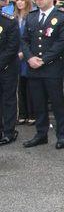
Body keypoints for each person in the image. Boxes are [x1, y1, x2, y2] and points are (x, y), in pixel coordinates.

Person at [21, 0, 64, 149]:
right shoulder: (31, 16)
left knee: (58, 103)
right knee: (39, 103)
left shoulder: (63, 17)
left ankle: (62, 135)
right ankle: (41, 134)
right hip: (34, 68)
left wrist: (43, 60)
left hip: (53, 68)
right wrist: (29, 58)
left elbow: (62, 42)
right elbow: (24, 41)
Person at [0, 8, 21, 145]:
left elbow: (12, 47)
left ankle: (9, 132)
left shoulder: (9, 21)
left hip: (7, 68)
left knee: (8, 100)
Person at [14, 0, 35, 126]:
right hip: (15, 56)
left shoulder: (31, 17)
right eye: (17, 0)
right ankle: (22, 113)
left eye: (22, 0)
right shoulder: (14, 18)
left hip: (28, 56)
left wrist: (24, 53)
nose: (19, 2)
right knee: (19, 85)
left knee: (30, 86)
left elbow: (32, 39)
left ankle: (32, 114)